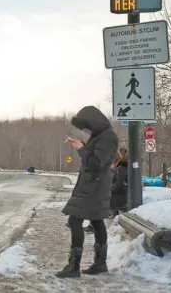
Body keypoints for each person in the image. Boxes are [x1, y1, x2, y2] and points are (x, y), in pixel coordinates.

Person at [56, 106, 119, 279]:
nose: (86, 130)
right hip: (93, 186)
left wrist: (81, 148)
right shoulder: (101, 135)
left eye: (87, 126)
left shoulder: (108, 137)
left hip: (94, 187)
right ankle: (100, 263)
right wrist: (83, 147)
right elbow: (94, 159)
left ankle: (74, 266)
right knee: (97, 221)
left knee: (75, 219)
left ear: (94, 121)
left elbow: (96, 163)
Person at [110, 148, 128, 216]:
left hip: (119, 193)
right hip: (120, 193)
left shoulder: (122, 167)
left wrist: (112, 189)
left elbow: (119, 182)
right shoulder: (119, 166)